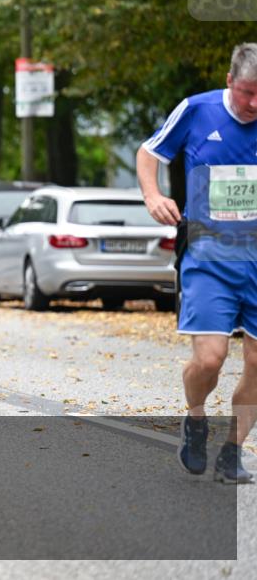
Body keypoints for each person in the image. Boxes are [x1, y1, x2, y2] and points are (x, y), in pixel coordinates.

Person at [136, 42, 257, 484]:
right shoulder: (197, 109)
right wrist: (153, 195)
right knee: (210, 358)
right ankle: (197, 417)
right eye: (247, 92)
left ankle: (232, 451)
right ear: (229, 82)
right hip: (209, 255)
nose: (254, 103)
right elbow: (149, 153)